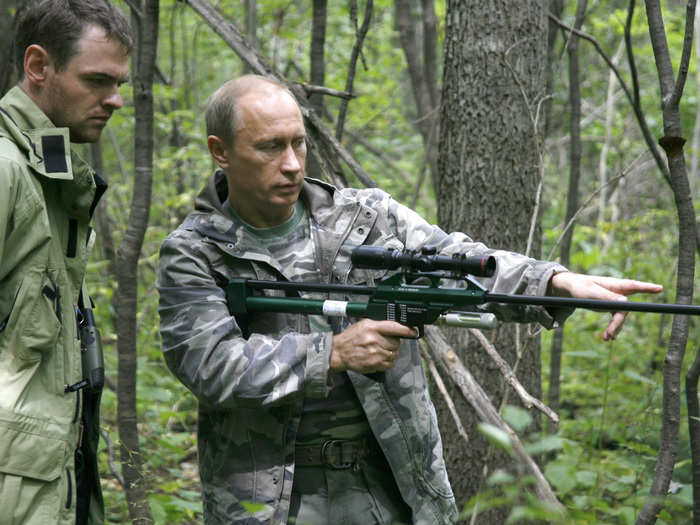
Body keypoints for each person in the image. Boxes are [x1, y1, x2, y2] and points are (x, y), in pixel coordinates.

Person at [157, 75, 662, 525]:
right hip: (269, 499)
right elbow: (207, 364)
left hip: (392, 486)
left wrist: (554, 282)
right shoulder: (195, 251)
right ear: (220, 152)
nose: (290, 164)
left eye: (298, 144)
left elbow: (456, 260)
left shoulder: (365, 217)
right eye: (269, 147)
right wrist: (331, 354)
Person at [0, 1, 131, 524]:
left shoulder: (50, 173)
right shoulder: (6, 171)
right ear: (38, 67)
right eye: (97, 80)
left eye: (119, 83)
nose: (115, 100)